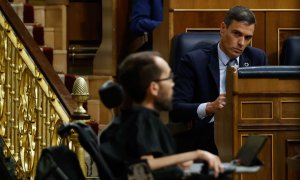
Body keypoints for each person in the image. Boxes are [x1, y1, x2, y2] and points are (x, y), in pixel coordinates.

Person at [100, 51, 224, 179]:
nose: (173, 84)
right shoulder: (143, 120)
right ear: (154, 88)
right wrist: (198, 154)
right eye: (169, 78)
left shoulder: (132, 118)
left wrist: (176, 163)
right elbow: (144, 166)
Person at [169, 6, 268, 155]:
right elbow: (175, 109)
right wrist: (209, 107)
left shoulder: (257, 58)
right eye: (236, 34)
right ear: (223, 28)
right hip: (206, 136)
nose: (241, 43)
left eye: (247, 38)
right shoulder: (194, 61)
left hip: (247, 132)